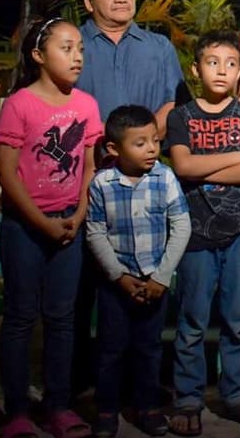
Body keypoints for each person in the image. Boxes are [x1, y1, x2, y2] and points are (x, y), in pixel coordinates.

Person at [73, 0, 186, 396]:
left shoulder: (158, 47)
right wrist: (102, 148)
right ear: (89, 2)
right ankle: (85, 383)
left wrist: (138, 144)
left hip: (147, 177)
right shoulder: (75, 42)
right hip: (87, 171)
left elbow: (171, 103)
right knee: (86, 281)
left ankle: (144, 387)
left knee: (145, 274)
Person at [0, 17, 103, 438]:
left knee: (62, 318)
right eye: (66, 48)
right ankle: (18, 409)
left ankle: (59, 405)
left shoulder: (87, 105)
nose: (77, 56)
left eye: (80, 48)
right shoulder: (19, 104)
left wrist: (76, 216)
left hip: (68, 229)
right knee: (20, 317)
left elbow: (90, 166)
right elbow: (7, 173)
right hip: (25, 228)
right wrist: (41, 222)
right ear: (38, 55)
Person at [165, 30, 240, 434]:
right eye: (212, 62)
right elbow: (182, 167)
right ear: (196, 68)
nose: (222, 70)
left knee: (237, 321)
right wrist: (233, 156)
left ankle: (237, 395)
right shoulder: (181, 116)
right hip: (193, 233)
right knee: (192, 321)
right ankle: (189, 398)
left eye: (230, 62)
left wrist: (205, 161)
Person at [86, 105, 191, 438]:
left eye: (154, 141)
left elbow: (181, 226)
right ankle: (106, 409)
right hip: (116, 285)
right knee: (111, 348)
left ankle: (148, 406)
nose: (151, 149)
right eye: (140, 143)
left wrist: (161, 277)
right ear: (114, 148)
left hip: (154, 283)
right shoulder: (103, 183)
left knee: (149, 348)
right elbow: (95, 231)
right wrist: (119, 276)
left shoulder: (165, 178)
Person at [76, 0, 185, 132]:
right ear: (89, 3)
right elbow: (52, 103)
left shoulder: (161, 47)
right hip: (84, 155)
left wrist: (140, 140)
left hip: (147, 155)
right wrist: (106, 137)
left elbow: (175, 103)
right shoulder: (71, 45)